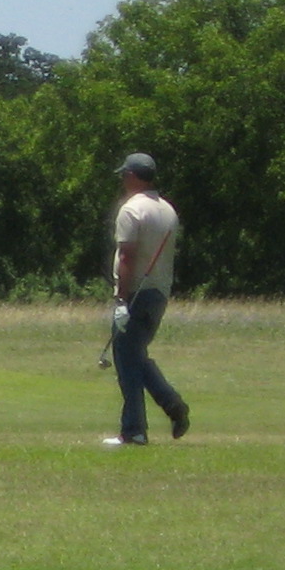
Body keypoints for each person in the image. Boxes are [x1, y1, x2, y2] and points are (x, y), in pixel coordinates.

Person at [103, 154, 189, 447]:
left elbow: (127, 256)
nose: (122, 179)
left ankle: (134, 430)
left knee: (127, 361)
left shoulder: (131, 209)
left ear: (132, 176)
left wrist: (121, 300)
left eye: (124, 174)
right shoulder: (167, 209)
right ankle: (172, 404)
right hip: (159, 293)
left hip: (136, 293)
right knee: (135, 356)